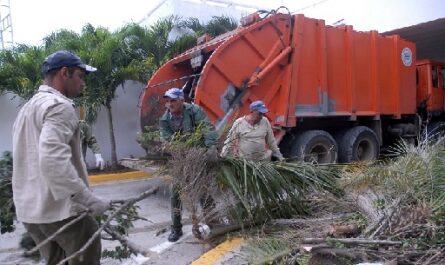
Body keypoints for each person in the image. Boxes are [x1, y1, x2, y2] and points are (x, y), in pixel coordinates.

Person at [12, 50, 109, 265]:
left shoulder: (27, 109)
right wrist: (86, 198)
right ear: (65, 73)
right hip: (62, 212)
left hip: (32, 214)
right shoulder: (60, 107)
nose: (83, 84)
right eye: (80, 76)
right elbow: (52, 159)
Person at [159, 87, 218, 242]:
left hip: (198, 157)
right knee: (175, 194)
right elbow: (168, 141)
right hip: (180, 159)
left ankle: (214, 223)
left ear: (181, 100)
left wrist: (210, 148)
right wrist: (182, 152)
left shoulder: (194, 111)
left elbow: (206, 127)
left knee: (203, 192)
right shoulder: (165, 120)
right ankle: (176, 229)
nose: (170, 104)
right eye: (168, 101)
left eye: (173, 100)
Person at [220, 100, 284, 161]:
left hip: (261, 162)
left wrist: (279, 156)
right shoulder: (239, 123)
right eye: (260, 113)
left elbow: (271, 141)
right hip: (244, 162)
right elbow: (229, 141)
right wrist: (222, 156)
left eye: (263, 114)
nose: (261, 116)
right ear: (252, 111)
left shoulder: (265, 121)